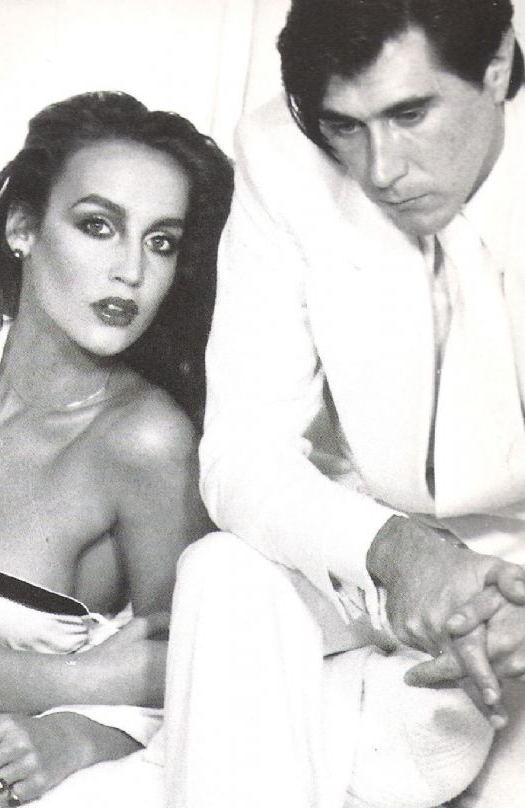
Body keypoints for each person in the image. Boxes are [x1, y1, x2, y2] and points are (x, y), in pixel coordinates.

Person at [162, 2, 525, 807]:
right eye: (345, 128)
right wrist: (394, 549)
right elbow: (240, 453)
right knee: (222, 574)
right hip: (387, 556)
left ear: (497, 66)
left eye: (410, 114)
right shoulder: (279, 152)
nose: (381, 169)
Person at [0, 90, 232, 807]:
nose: (131, 271)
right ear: (22, 226)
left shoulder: (146, 442)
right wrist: (75, 681)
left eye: (161, 241)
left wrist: (75, 735)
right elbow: (116, 676)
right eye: (98, 226)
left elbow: (185, 675)